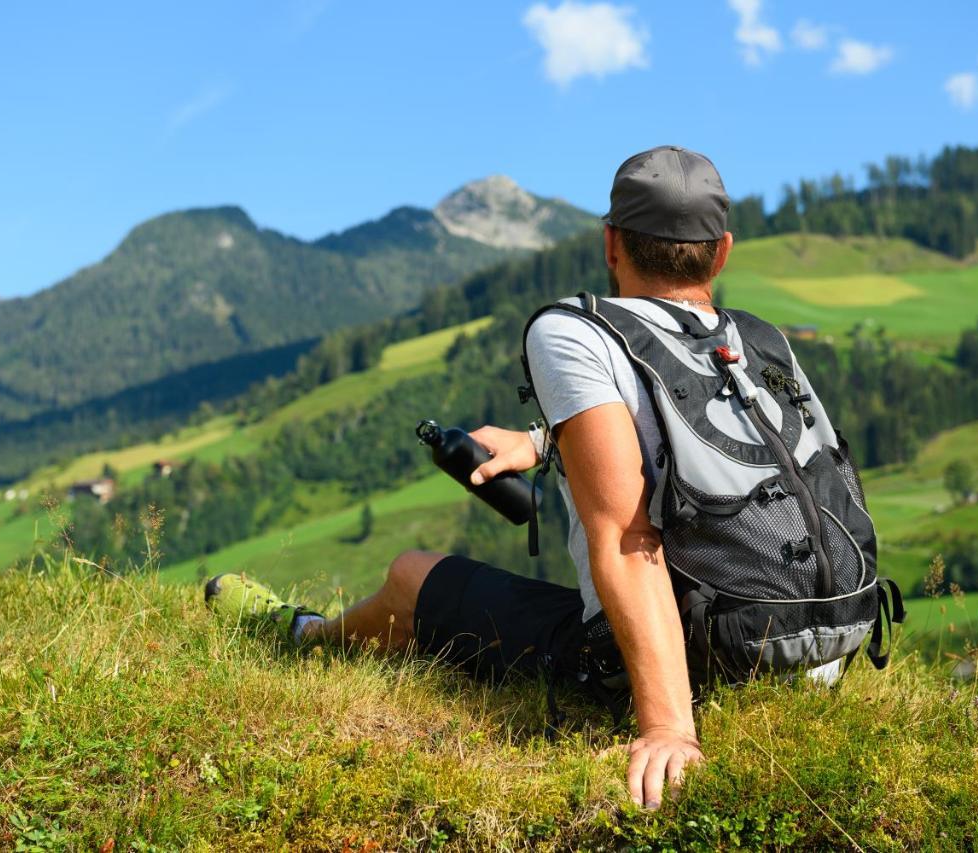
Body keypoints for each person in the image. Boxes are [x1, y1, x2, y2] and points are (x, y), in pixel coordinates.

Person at [208, 146, 763, 810]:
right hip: (795, 642)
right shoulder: (753, 342)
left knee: (413, 574)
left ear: (611, 244)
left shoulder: (581, 332)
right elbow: (692, 440)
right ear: (722, 251)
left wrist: (669, 726)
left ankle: (307, 635)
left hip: (681, 659)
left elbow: (626, 537)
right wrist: (542, 439)